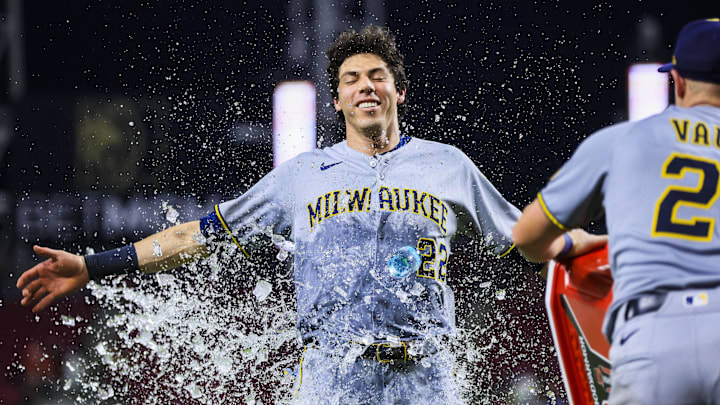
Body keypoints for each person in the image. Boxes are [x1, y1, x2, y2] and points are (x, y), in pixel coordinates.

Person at [17, 26, 600, 404]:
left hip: (428, 378)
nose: (365, 87)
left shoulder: (448, 166)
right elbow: (199, 235)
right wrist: (95, 265)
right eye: (351, 80)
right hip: (331, 378)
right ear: (339, 99)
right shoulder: (301, 175)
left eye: (377, 77)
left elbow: (528, 237)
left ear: (400, 91)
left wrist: (600, 248)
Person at [513, 18, 720, 405]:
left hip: (654, 335)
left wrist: (571, 244)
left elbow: (526, 236)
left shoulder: (624, 139)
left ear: (679, 80)